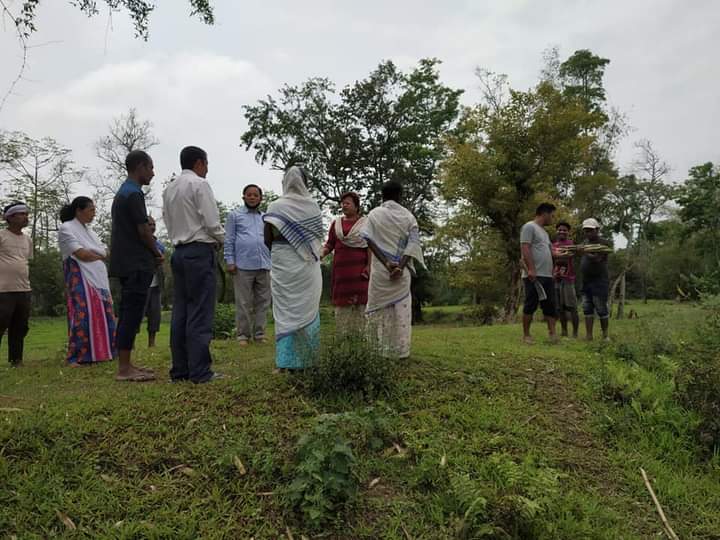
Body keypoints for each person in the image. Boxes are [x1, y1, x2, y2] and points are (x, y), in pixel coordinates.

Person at [163, 146, 225, 383]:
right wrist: (222, 240)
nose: (207, 169)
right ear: (199, 163)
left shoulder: (169, 188)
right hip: (199, 252)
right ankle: (200, 371)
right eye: (206, 164)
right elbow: (211, 222)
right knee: (200, 311)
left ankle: (180, 370)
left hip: (179, 251)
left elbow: (168, 222)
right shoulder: (199, 184)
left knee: (181, 310)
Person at [109, 150, 163, 382]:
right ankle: (123, 369)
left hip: (127, 261)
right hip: (135, 263)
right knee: (130, 314)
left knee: (130, 313)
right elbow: (143, 230)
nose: (152, 172)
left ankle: (128, 363)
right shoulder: (133, 194)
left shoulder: (125, 192)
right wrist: (156, 252)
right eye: (150, 168)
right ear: (140, 167)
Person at [263, 166, 323, 371]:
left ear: (285, 182)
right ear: (305, 183)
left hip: (282, 260)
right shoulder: (313, 207)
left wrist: (284, 250)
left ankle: (285, 364)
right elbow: (316, 241)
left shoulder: (275, 206)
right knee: (307, 306)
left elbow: (267, 238)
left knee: (286, 309)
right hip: (307, 266)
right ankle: (309, 361)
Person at [362, 181, 425, 359]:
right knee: (401, 312)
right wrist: (400, 266)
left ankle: (377, 351)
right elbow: (413, 245)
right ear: (399, 196)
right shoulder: (409, 217)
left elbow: (368, 240)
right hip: (400, 274)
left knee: (378, 310)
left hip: (381, 273)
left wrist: (387, 263)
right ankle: (401, 352)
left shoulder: (374, 215)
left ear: (383, 196)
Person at [58, 197, 117, 365]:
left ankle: (103, 352)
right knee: (83, 313)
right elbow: (81, 254)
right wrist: (98, 254)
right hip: (80, 275)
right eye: (91, 210)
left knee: (104, 313)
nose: (94, 213)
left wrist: (96, 254)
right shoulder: (66, 228)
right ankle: (78, 356)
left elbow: (105, 252)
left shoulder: (91, 232)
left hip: (98, 277)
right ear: (79, 210)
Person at [224, 184, 271, 346]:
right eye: (249, 195)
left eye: (255, 195)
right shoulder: (234, 216)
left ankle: (260, 334)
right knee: (243, 302)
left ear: (260, 198)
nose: (252, 197)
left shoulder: (265, 218)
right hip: (242, 265)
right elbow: (229, 239)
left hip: (264, 264)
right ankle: (243, 335)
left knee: (263, 301)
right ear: (243, 197)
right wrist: (230, 260)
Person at [320, 192, 370, 333]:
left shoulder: (365, 223)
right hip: (341, 275)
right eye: (343, 203)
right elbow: (330, 244)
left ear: (356, 206)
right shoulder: (336, 224)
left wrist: (369, 266)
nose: (344, 205)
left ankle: (361, 340)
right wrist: (321, 254)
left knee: (361, 306)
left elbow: (370, 246)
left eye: (348, 203)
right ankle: (343, 338)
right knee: (342, 308)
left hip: (360, 275)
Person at [520, 203, 558, 344]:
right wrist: (531, 269)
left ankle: (552, 334)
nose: (552, 219)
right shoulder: (529, 227)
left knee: (550, 305)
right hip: (534, 274)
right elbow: (525, 247)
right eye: (552, 215)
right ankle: (526, 335)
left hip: (547, 275)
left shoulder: (545, 232)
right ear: (545, 213)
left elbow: (551, 252)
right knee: (531, 304)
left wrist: (572, 251)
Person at [0, 202, 33, 367]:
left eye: (26, 214)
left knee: (20, 326)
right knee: (1, 324)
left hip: (24, 289)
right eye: (21, 214)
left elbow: (26, 261)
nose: (25, 217)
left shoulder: (27, 239)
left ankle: (16, 360)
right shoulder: (1, 236)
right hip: (3, 290)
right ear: (10, 217)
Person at [580, 218, 611, 341]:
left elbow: (597, 259)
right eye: (586, 230)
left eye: (590, 230)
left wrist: (585, 252)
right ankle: (589, 336)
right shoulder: (584, 242)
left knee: (601, 307)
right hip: (586, 280)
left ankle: (605, 336)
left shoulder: (604, 243)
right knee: (587, 307)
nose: (588, 233)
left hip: (599, 281)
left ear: (597, 230)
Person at [552, 221, 579, 338]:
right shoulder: (553, 245)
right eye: (560, 229)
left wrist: (557, 254)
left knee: (572, 306)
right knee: (560, 308)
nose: (562, 231)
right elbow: (553, 257)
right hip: (556, 278)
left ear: (568, 232)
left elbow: (568, 255)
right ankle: (564, 332)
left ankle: (575, 333)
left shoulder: (571, 244)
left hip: (568, 278)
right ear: (556, 231)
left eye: (564, 230)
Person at [143, 216, 165, 348]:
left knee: (155, 314)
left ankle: (152, 343)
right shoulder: (138, 242)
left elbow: (161, 257)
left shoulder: (158, 243)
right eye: (149, 224)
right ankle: (131, 343)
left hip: (156, 284)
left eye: (154, 224)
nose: (152, 227)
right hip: (142, 283)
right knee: (137, 314)